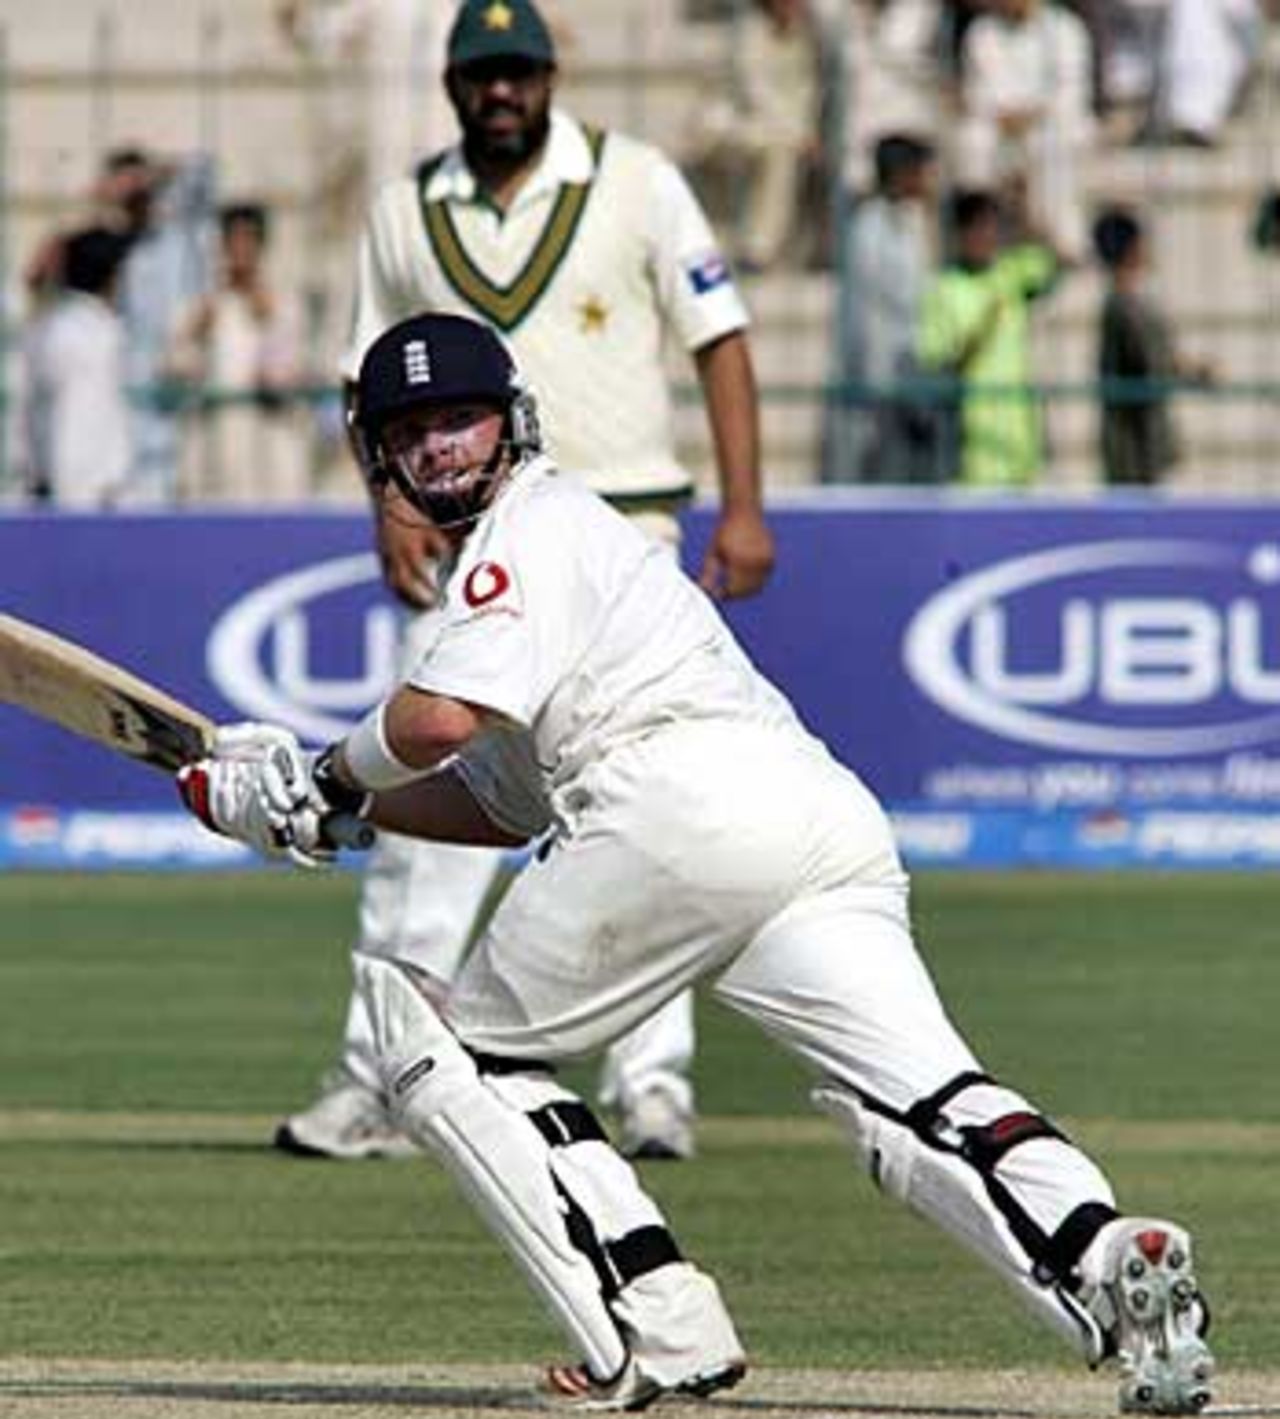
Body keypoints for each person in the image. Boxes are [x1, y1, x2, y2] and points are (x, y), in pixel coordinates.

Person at [179, 310, 1215, 1416]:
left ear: (509, 425)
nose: (438, 448)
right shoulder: (577, 538)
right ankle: (1108, 1257)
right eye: (413, 429)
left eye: (458, 420)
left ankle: (653, 1326)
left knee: (452, 1051)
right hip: (807, 814)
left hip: (666, 805)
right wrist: (335, 818)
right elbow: (491, 796)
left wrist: (318, 776)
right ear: (381, 453)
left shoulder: (519, 539)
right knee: (922, 1097)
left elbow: (431, 722)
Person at [274, 0, 775, 1164]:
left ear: (550, 75)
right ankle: (379, 1076)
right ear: (452, 87)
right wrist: (385, 509)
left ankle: (653, 1090)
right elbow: (366, 388)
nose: (499, 90)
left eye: (517, 71)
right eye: (478, 74)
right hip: (475, 547)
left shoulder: (637, 179)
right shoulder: (405, 208)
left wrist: (745, 504)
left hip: (622, 529)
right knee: (426, 812)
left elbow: (720, 335)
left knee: (636, 808)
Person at [168, 202, 309, 503]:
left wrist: (269, 321)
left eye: (248, 239)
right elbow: (176, 367)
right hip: (213, 446)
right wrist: (195, 332)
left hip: (267, 445)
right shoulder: (202, 307)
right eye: (232, 240)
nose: (239, 249)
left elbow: (290, 372)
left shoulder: (283, 302)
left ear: (261, 245)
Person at [917, 188, 1058, 487]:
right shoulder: (944, 289)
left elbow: (1050, 262)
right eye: (977, 228)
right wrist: (982, 329)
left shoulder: (1009, 273)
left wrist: (1023, 207)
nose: (986, 236)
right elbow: (937, 361)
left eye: (991, 227)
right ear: (959, 234)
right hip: (973, 443)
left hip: (1019, 435)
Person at [826, 133, 940, 483]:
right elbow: (900, 300)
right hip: (882, 377)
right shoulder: (871, 228)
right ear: (902, 174)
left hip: (910, 370)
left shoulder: (909, 221)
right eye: (921, 171)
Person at [686, 0, 822, 272]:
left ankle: (760, 250)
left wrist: (805, 133)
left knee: (781, 152)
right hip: (725, 129)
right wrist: (798, 135)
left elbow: (806, 94)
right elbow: (756, 95)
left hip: (772, 132)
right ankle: (758, 249)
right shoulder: (748, 33)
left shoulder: (803, 38)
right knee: (781, 146)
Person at [955, 0, 1094, 261]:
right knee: (972, 141)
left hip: (1047, 125)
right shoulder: (982, 32)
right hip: (999, 125)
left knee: (1054, 143)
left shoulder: (1064, 29)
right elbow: (976, 92)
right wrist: (1002, 116)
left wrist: (1031, 117)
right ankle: (980, 230)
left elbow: (1071, 94)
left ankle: (1062, 237)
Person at [1092, 207, 1211, 488]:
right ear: (1132, 248)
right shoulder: (1122, 306)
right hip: (1133, 444)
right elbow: (1151, 362)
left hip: (1144, 439)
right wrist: (1194, 370)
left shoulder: (1130, 302)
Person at [20, 227, 134, 508]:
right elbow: (85, 422)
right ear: (113, 277)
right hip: (90, 494)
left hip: (54, 485)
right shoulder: (99, 335)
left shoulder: (47, 327)